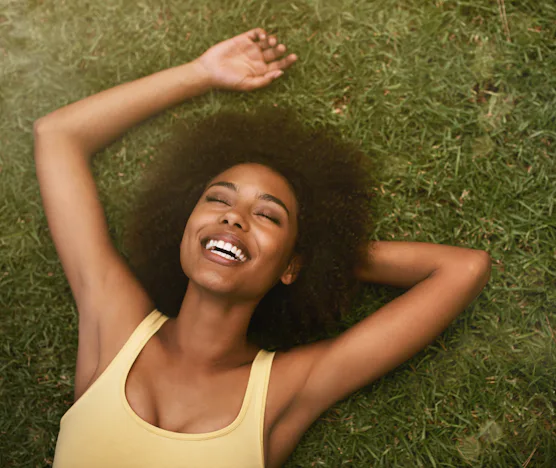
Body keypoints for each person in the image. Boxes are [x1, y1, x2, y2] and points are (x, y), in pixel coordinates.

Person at [33, 28, 492, 468]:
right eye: (218, 199)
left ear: (291, 265)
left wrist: (324, 255)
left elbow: (463, 269)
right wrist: (200, 73)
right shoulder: (115, 327)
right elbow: (57, 136)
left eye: (268, 216)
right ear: (185, 227)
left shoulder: (284, 389)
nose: (233, 217)